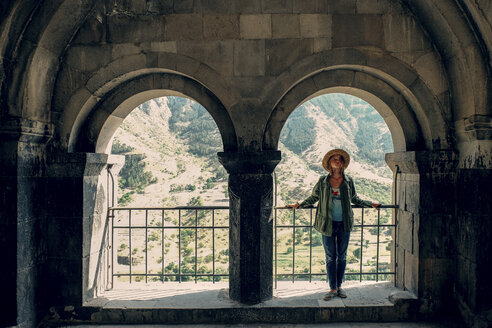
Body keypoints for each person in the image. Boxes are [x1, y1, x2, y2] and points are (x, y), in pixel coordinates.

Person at [286, 148, 381, 301]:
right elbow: (313, 197)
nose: (337, 161)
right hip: (327, 223)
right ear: (329, 163)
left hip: (344, 223)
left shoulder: (348, 180)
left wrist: (371, 204)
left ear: (343, 163)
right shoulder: (323, 181)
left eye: (340, 159)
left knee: (342, 257)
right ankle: (332, 288)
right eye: (334, 159)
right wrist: (298, 204)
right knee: (331, 257)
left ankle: (340, 286)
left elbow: (355, 198)